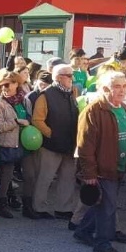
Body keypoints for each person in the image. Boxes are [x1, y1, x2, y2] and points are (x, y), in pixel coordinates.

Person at [74, 71, 126, 252]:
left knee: (102, 204)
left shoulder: (123, 108)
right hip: (103, 169)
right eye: (116, 86)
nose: (122, 90)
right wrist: (89, 174)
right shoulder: (93, 111)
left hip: (119, 166)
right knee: (108, 206)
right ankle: (103, 243)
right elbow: (85, 145)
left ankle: (83, 231)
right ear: (104, 89)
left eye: (124, 86)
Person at [31, 64, 79, 220]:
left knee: (68, 177)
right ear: (58, 77)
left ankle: (63, 208)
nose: (73, 78)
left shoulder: (72, 93)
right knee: (45, 177)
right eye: (69, 75)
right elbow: (37, 120)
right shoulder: (45, 95)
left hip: (69, 143)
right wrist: (52, 134)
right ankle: (39, 207)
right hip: (51, 145)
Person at [0, 72, 27, 219]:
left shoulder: (23, 101)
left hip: (21, 142)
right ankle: (2, 204)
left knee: (9, 174)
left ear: (16, 84)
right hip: (5, 143)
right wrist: (17, 122)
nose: (4, 88)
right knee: (5, 175)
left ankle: (10, 198)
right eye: (1, 85)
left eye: (7, 84)